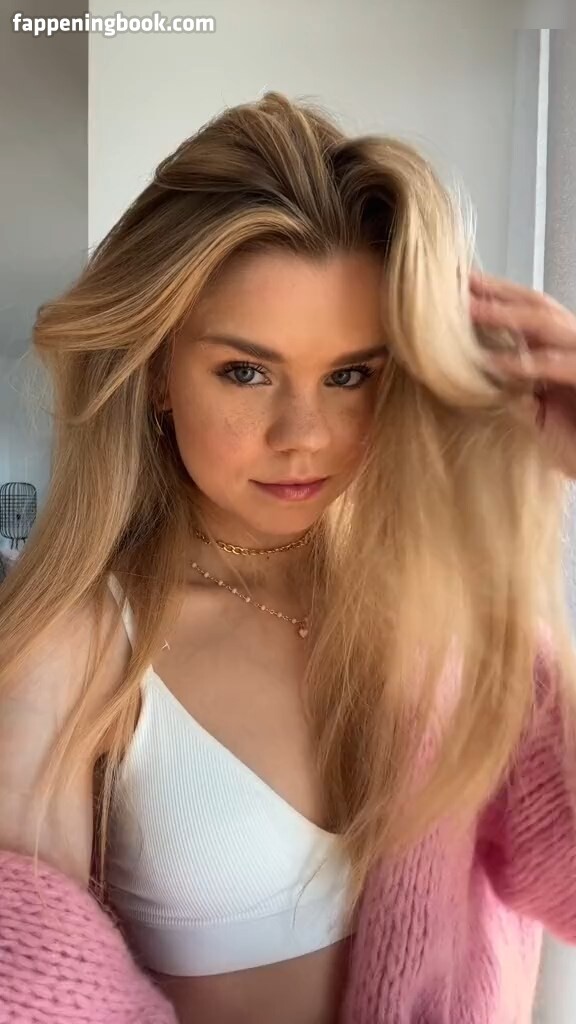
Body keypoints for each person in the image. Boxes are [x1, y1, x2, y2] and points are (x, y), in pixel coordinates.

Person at [1, 90, 576, 1024]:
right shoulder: (80, 641)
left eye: (350, 375)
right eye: (246, 371)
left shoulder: (447, 608)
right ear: (158, 372)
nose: (304, 434)